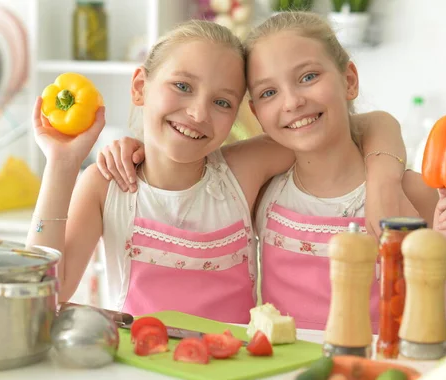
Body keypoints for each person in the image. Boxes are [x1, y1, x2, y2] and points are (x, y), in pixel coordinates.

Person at [28, 19, 411, 324]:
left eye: (222, 102)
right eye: (182, 86)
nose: (198, 113)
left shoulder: (243, 170)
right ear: (141, 87)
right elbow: (41, 291)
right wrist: (61, 164)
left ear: (240, 114)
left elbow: (359, 124)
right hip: (138, 375)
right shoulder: (104, 184)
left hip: (232, 375)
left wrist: (383, 177)